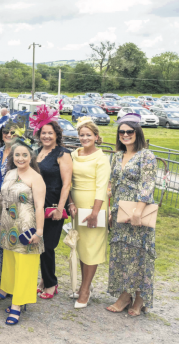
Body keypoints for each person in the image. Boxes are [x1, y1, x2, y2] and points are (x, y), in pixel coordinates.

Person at [106, 113, 157, 316]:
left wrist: (138, 210)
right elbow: (113, 185)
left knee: (139, 255)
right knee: (122, 255)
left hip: (138, 212)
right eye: (122, 132)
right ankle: (125, 295)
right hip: (120, 212)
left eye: (129, 131)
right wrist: (111, 209)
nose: (125, 135)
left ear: (137, 133)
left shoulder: (147, 156)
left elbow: (147, 184)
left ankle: (140, 298)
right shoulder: (117, 156)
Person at [0, 141, 45, 326]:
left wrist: (39, 232)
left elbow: (40, 207)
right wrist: (0, 222)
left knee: (25, 267)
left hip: (27, 229)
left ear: (31, 157)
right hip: (9, 228)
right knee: (11, 265)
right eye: (17, 155)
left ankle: (17, 305)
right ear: (12, 157)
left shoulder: (36, 178)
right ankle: (14, 295)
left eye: (25, 155)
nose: (21, 158)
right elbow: (2, 199)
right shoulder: (10, 173)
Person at [66, 117, 110, 309]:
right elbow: (68, 181)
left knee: (92, 248)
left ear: (96, 136)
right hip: (77, 206)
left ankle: (84, 291)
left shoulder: (102, 158)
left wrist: (95, 212)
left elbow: (102, 187)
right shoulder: (73, 155)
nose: (84, 138)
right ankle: (85, 285)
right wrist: (70, 202)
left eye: (88, 135)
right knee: (81, 247)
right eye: (82, 135)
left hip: (94, 207)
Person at [32, 109, 72, 300]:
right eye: (43, 133)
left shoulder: (62, 154)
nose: (46, 136)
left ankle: (51, 284)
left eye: (50, 133)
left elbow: (67, 183)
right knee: (37, 244)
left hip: (53, 205)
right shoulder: (37, 152)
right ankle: (44, 280)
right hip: (36, 206)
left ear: (56, 135)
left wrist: (60, 208)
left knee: (47, 246)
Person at [0, 113, 25, 299]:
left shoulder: (23, 153)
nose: (8, 134)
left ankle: (11, 284)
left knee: (11, 243)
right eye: (5, 131)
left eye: (12, 131)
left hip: (13, 204)